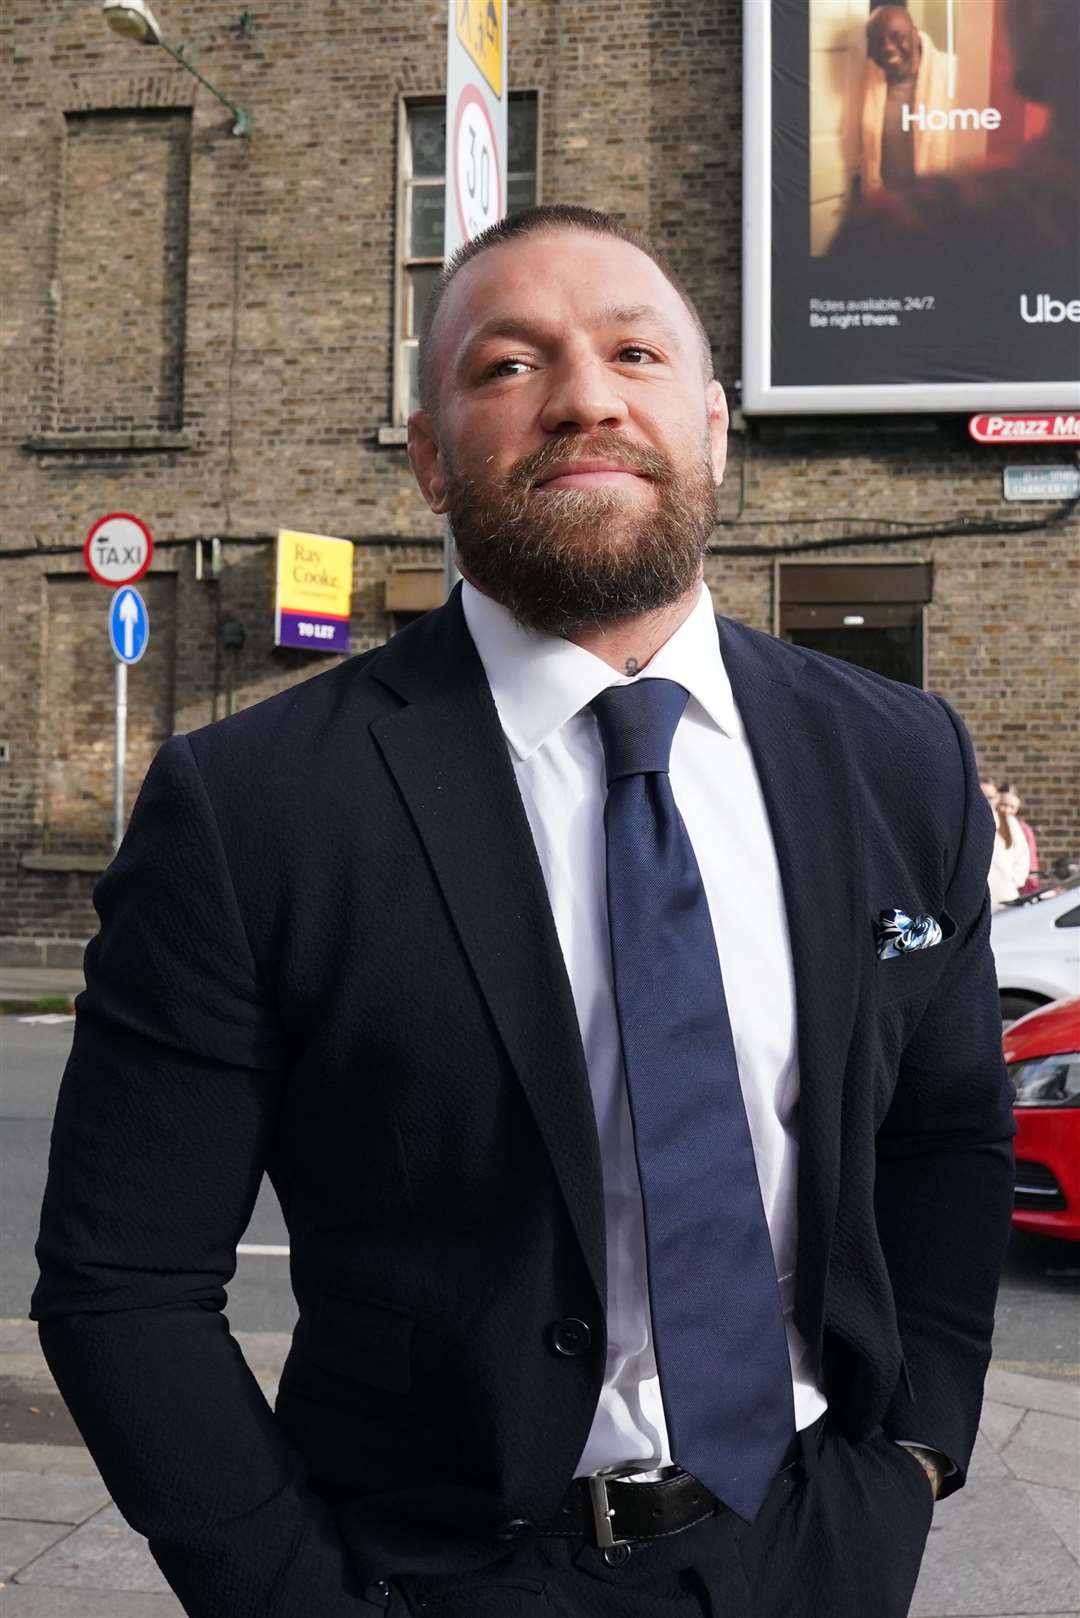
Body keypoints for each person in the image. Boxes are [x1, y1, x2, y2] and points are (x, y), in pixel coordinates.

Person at [32, 206, 1015, 1618]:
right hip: (436, 1572)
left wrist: (910, 1462)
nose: (587, 396)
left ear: (716, 427)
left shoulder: (900, 757)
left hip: (811, 1545)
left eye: (635, 350)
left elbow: (946, 1131)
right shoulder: (252, 808)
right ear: (431, 452)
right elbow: (122, 1283)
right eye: (509, 365)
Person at [859, 5, 954, 195]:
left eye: (896, 37)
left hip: (939, 202)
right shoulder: (868, 76)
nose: (887, 47)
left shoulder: (952, 73)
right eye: (878, 41)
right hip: (887, 203)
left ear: (915, 34)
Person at [981, 778, 1031, 909]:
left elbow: (1023, 857)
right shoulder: (964, 822)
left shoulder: (1010, 823)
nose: (986, 800)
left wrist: (1012, 881)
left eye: (990, 797)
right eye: (981, 795)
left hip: (1005, 898)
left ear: (997, 798)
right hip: (975, 899)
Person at [998, 785, 1041, 895]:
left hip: (1017, 887)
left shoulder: (1023, 830)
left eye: (1012, 807)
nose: (1007, 810)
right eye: (1003, 805)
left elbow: (1031, 863)